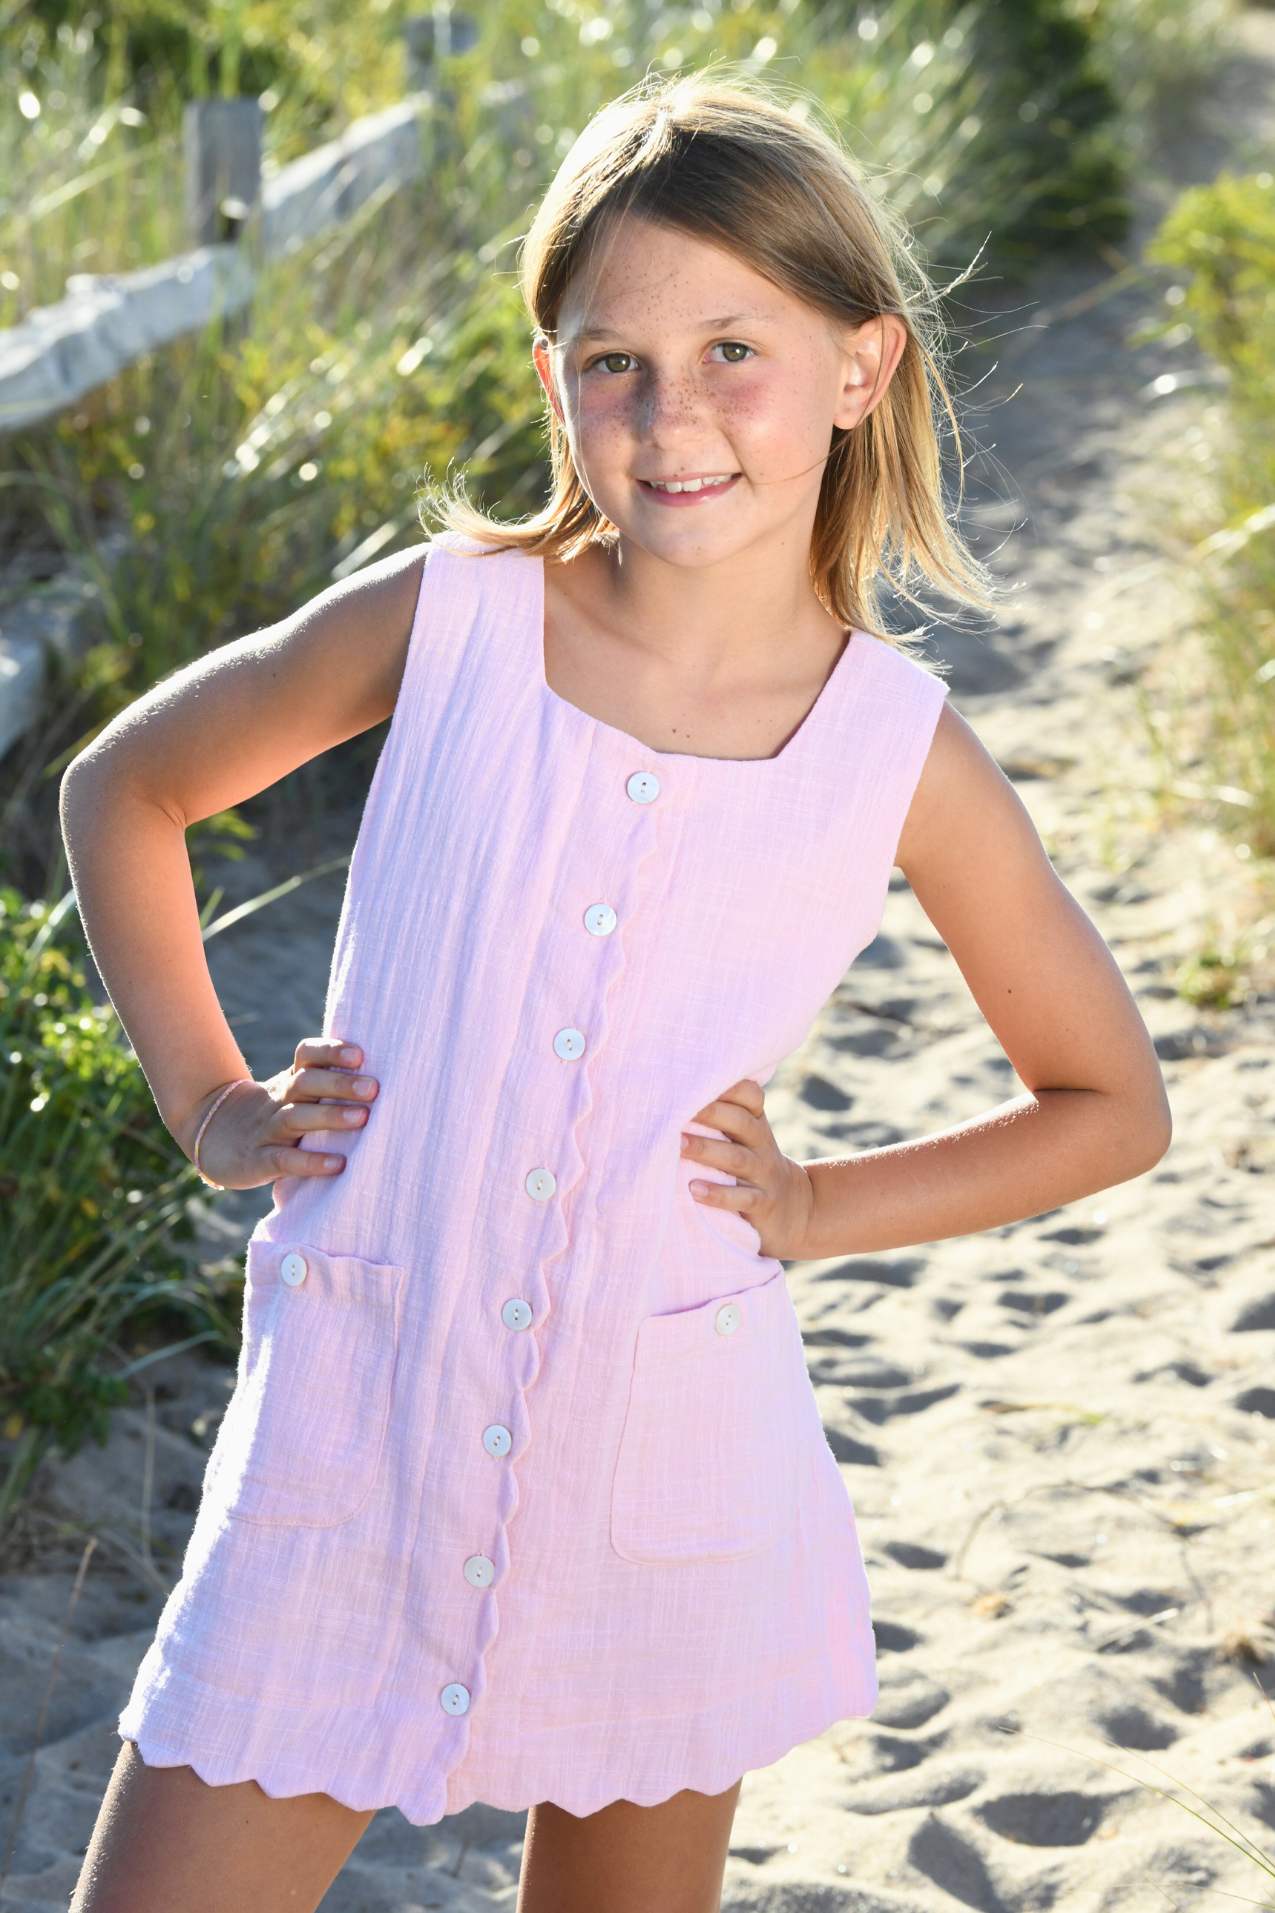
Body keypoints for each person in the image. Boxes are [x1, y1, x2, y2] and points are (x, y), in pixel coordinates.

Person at [60, 64, 1172, 1913]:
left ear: (863, 367)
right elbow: (126, 789)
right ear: (553, 373)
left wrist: (813, 1205)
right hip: (351, 1438)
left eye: (735, 350)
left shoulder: (897, 751)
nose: (672, 417)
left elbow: (1110, 1103)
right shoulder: (451, 618)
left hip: (666, 1479)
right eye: (614, 363)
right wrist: (213, 1105)